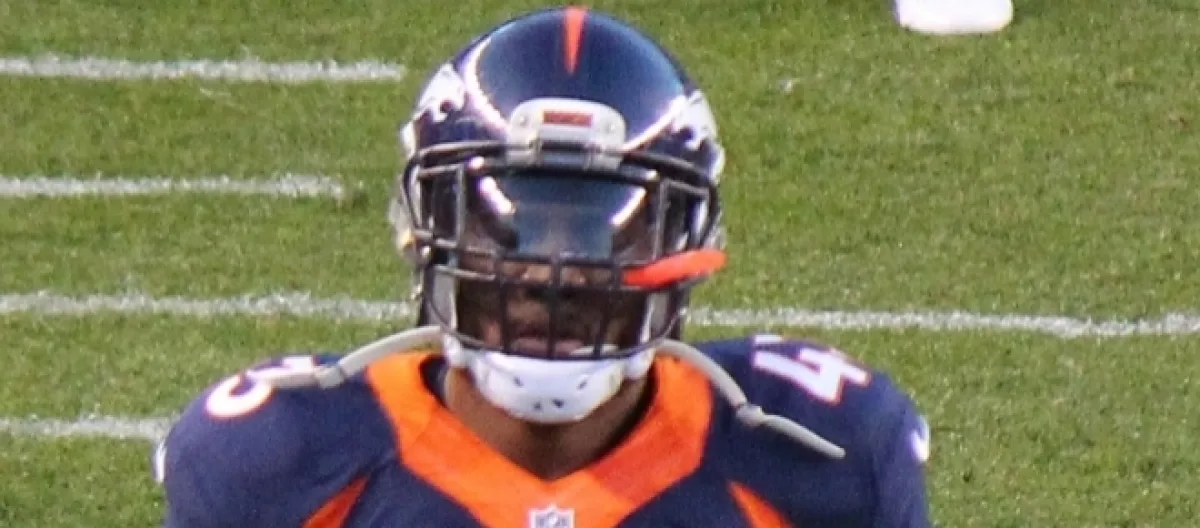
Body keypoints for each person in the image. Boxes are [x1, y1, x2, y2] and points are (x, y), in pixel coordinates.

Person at [154, 6, 933, 527]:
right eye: (510, 223)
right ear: (426, 228)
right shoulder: (278, 462)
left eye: (603, 228)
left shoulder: (818, 455)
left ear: (682, 245)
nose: (552, 270)